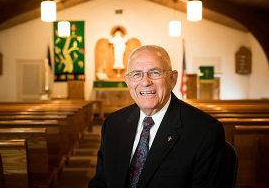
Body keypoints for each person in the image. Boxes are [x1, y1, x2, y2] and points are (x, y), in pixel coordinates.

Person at [89, 45, 226, 188]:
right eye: (136, 74)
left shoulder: (205, 131)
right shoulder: (113, 124)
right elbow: (100, 182)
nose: (145, 82)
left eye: (154, 72)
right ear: (128, 81)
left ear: (172, 79)